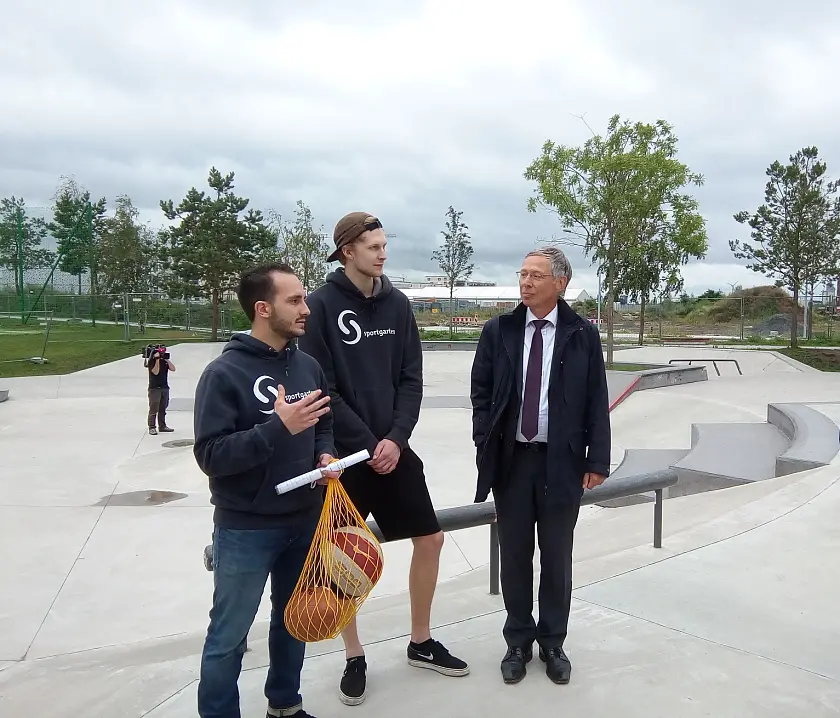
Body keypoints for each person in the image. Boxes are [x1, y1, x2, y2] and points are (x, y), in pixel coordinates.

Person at [298, 212, 469, 706]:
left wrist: (396, 437)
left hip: (395, 450)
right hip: (349, 458)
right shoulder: (321, 306)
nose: (382, 252)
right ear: (347, 251)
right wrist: (368, 444)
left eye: (383, 244)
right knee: (342, 554)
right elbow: (322, 385)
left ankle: (420, 641)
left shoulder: (397, 306)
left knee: (431, 539)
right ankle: (354, 656)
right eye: (372, 245)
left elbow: (412, 378)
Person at [193, 263, 340, 718]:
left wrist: (325, 456)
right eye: (294, 300)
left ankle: (285, 706)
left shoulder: (307, 365)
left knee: (293, 622)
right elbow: (211, 455)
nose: (306, 308)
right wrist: (277, 428)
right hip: (245, 528)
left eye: (304, 298)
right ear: (263, 308)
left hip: (303, 519)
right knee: (229, 636)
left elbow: (323, 426)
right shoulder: (223, 373)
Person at [469, 247, 610, 686]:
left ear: (560, 283)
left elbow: (595, 402)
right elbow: (481, 391)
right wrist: (484, 442)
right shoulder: (500, 330)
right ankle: (517, 641)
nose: (525, 283)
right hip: (512, 462)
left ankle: (552, 641)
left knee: (556, 557)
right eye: (522, 274)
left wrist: (597, 459)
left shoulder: (581, 334)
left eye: (535, 276)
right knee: (513, 556)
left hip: (562, 464)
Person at [147, 345, 175, 434]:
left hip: (164, 387)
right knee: (153, 409)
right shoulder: (152, 361)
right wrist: (157, 359)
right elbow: (155, 372)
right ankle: (152, 427)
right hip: (154, 389)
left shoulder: (165, 361)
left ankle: (162, 426)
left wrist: (166, 359)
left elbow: (173, 369)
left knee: (163, 408)